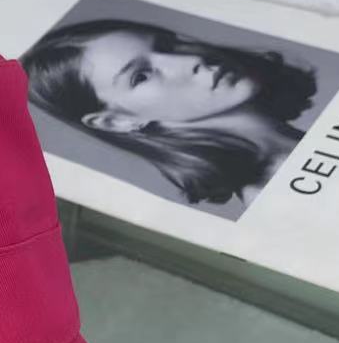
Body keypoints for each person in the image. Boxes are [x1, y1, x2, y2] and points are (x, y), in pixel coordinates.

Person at [19, 16, 318, 207]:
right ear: (117, 121)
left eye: (168, 45)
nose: (190, 60)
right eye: (141, 76)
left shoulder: (296, 151)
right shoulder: (274, 194)